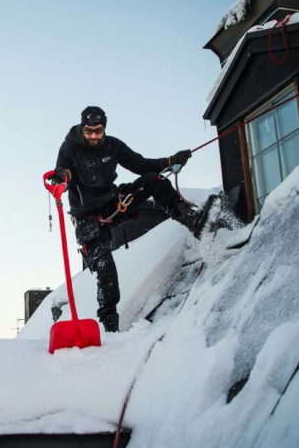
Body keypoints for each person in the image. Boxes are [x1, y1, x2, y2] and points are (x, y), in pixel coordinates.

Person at [51, 106, 202, 333]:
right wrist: (62, 177)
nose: (93, 136)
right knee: (105, 268)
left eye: (98, 131)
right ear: (83, 128)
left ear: (104, 129)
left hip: (113, 204)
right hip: (87, 217)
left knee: (154, 180)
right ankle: (110, 327)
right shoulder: (71, 147)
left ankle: (192, 220)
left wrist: (171, 160)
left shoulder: (113, 146)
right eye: (89, 131)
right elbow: (64, 171)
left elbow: (140, 164)